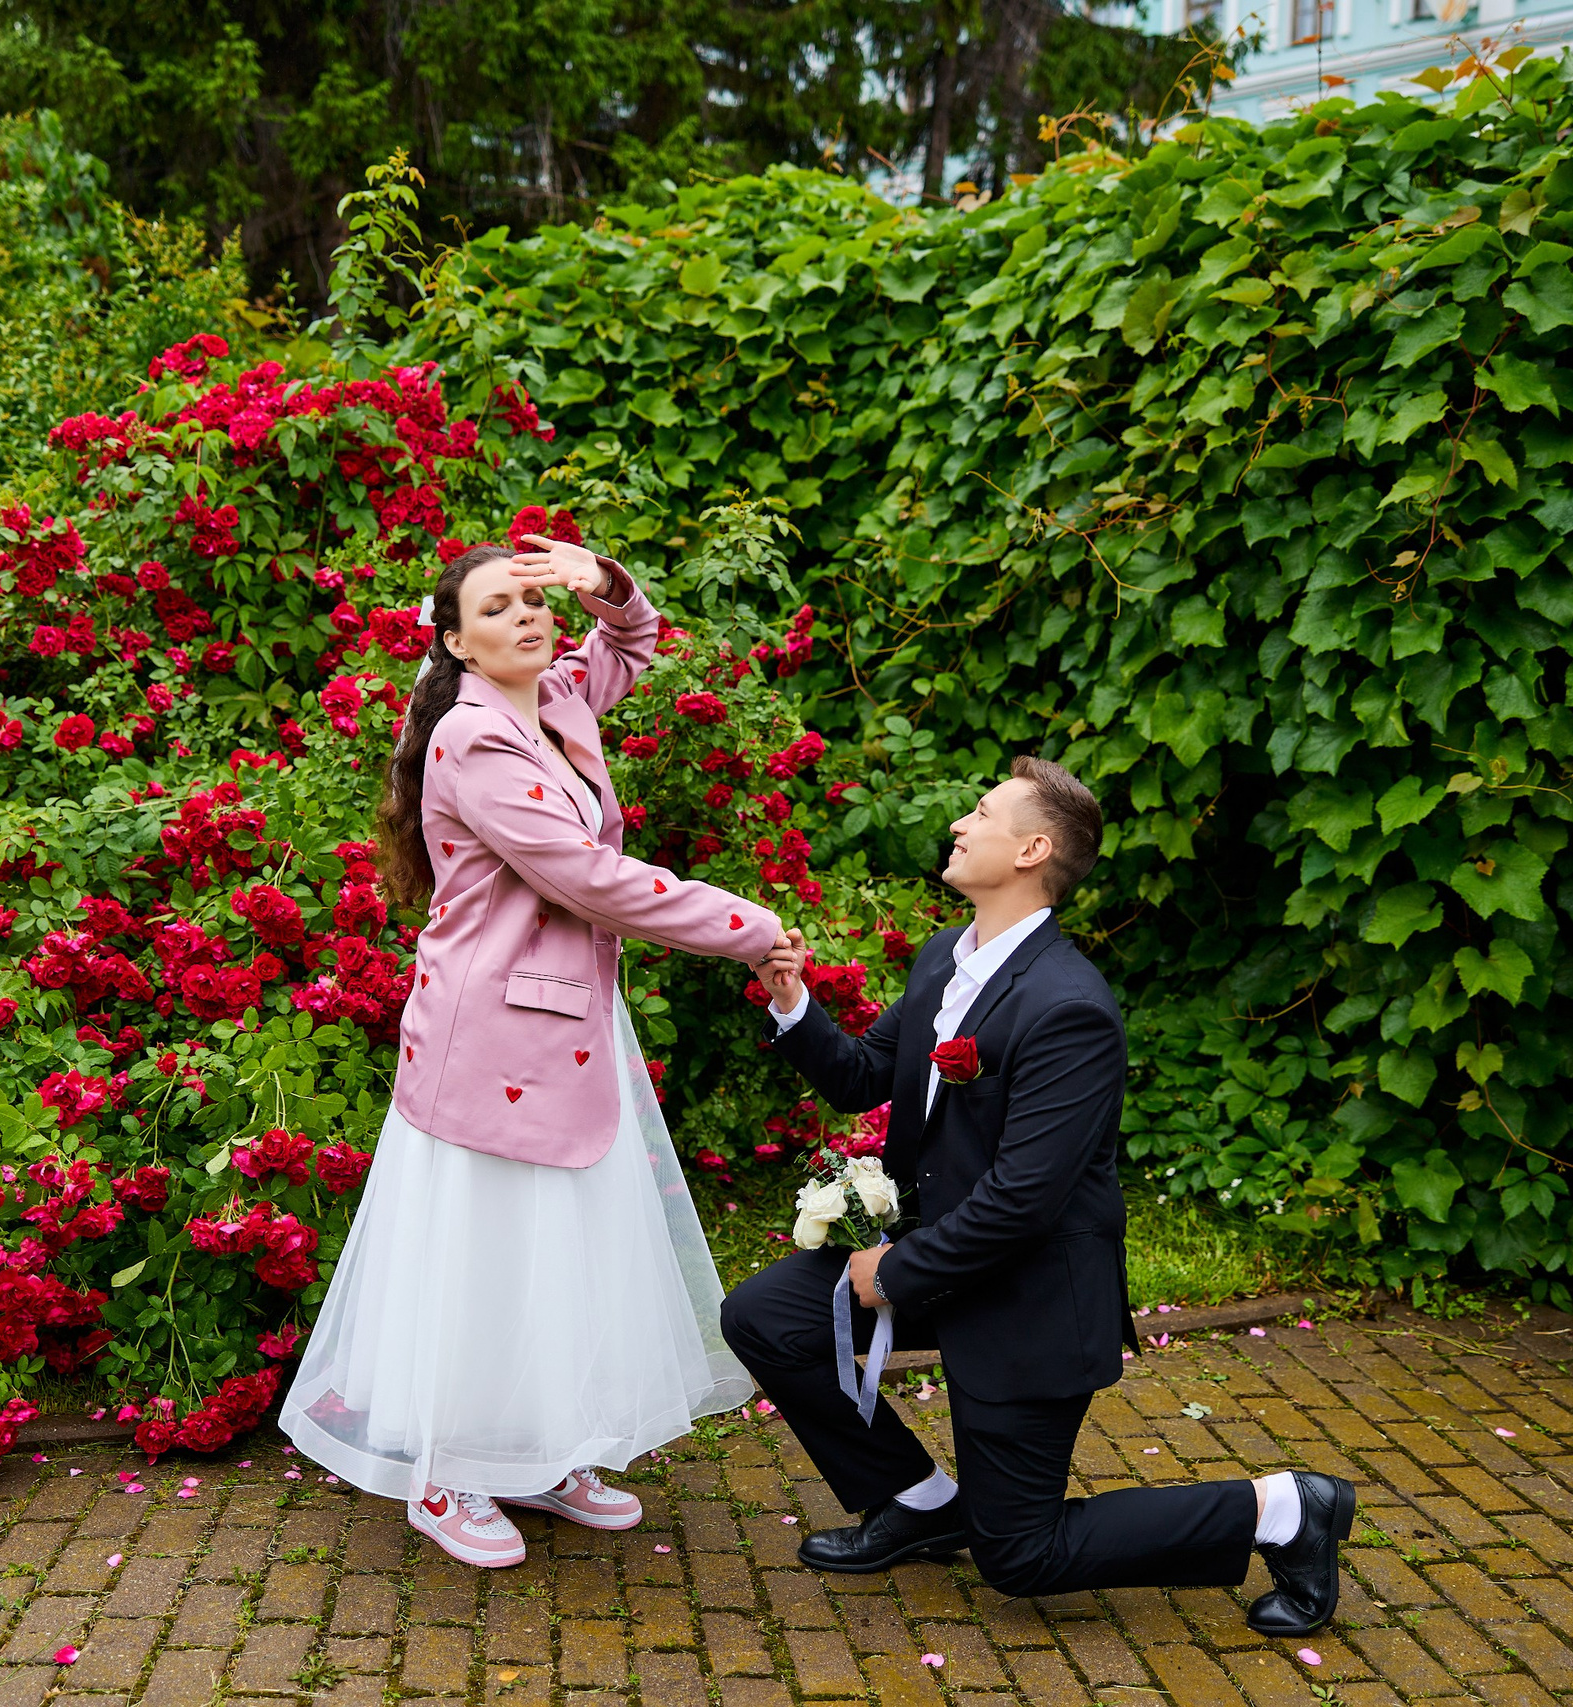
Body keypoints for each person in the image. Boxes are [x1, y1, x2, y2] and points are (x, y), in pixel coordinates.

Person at [727, 758, 1352, 1636]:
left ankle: (1286, 1507)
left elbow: (1024, 1197)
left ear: (1032, 847)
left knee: (1020, 1555)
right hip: (951, 1263)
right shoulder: (948, 956)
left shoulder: (1070, 1008)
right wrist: (793, 1002)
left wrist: (896, 1269)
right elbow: (865, 1074)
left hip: (1030, 1297)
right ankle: (918, 1502)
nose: (959, 823)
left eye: (980, 812)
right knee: (764, 1313)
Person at [280, 534, 784, 1569]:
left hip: (564, 1022)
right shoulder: (473, 741)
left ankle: (540, 1452)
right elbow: (587, 878)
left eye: (532, 601)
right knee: (489, 1257)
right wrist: (748, 926)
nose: (528, 616)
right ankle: (445, 1474)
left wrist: (603, 580)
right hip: (490, 1035)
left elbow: (633, 642)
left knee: (559, 1250)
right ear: (457, 644)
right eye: (499, 608)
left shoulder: (553, 699)